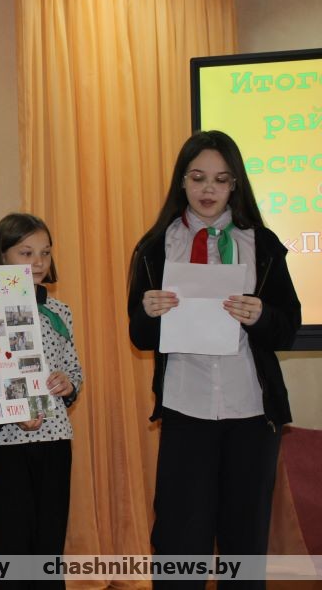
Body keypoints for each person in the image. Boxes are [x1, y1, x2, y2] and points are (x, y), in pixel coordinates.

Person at [127, 130, 301, 588]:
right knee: (179, 545)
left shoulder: (261, 243)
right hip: (186, 410)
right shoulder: (156, 246)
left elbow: (288, 326)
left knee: (245, 546)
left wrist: (261, 315)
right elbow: (138, 335)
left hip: (251, 414)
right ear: (182, 181)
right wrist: (148, 313)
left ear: (235, 184)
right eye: (198, 177)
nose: (209, 189)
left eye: (221, 180)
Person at [0, 213, 83, 590]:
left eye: (45, 252)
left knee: (48, 546)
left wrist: (68, 383)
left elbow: (73, 370)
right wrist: (14, 410)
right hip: (7, 442)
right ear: (2, 256)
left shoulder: (60, 311)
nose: (38, 262)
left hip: (55, 439)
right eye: (26, 253)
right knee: (12, 547)